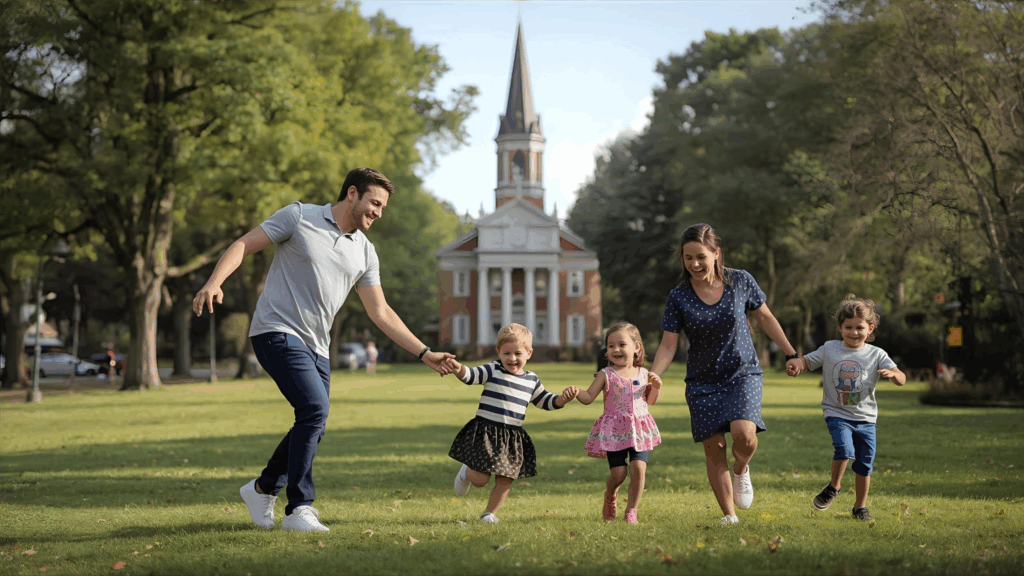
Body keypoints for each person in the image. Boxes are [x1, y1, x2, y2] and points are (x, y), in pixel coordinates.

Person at [193, 167, 456, 533]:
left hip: (318, 346)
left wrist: (425, 352)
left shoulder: (365, 251)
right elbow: (243, 244)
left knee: (315, 422)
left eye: (383, 207)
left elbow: (380, 312)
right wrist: (213, 282)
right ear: (352, 193)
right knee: (315, 409)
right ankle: (299, 508)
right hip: (276, 330)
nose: (379, 212)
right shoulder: (299, 217)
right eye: (375, 203)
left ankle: (262, 488)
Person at [649, 223, 799, 526]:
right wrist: (654, 375)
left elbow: (765, 317)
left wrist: (791, 353)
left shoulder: (740, 281)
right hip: (702, 382)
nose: (694, 264)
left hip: (742, 373)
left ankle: (742, 468)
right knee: (714, 449)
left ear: (716, 254)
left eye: (701, 257)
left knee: (745, 438)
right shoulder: (678, 296)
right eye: (688, 258)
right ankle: (729, 516)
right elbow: (668, 343)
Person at [786, 294, 906, 521]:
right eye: (848, 327)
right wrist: (797, 365)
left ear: (870, 328)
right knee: (844, 449)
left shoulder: (877, 354)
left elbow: (902, 377)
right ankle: (834, 486)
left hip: (867, 418)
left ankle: (860, 507)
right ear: (840, 328)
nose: (853, 332)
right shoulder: (830, 348)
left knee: (864, 464)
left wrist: (894, 375)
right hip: (837, 412)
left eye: (859, 327)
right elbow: (808, 361)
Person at [448, 323, 578, 524]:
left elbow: (545, 401)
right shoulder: (493, 369)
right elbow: (471, 376)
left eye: (518, 353)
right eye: (506, 353)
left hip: (512, 437)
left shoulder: (532, 380)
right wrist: (458, 369)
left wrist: (563, 398)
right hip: (486, 433)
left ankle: (489, 514)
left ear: (529, 353)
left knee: (505, 478)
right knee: (481, 480)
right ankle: (466, 471)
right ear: (498, 351)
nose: (512, 358)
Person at [576, 322, 662, 524]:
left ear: (636, 347)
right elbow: (589, 396)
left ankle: (632, 510)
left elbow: (650, 401)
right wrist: (575, 392)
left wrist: (657, 386)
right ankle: (611, 494)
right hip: (614, 431)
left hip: (639, 430)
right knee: (619, 473)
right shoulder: (606, 374)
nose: (616, 349)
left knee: (639, 469)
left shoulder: (644, 374)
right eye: (611, 345)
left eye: (622, 344)